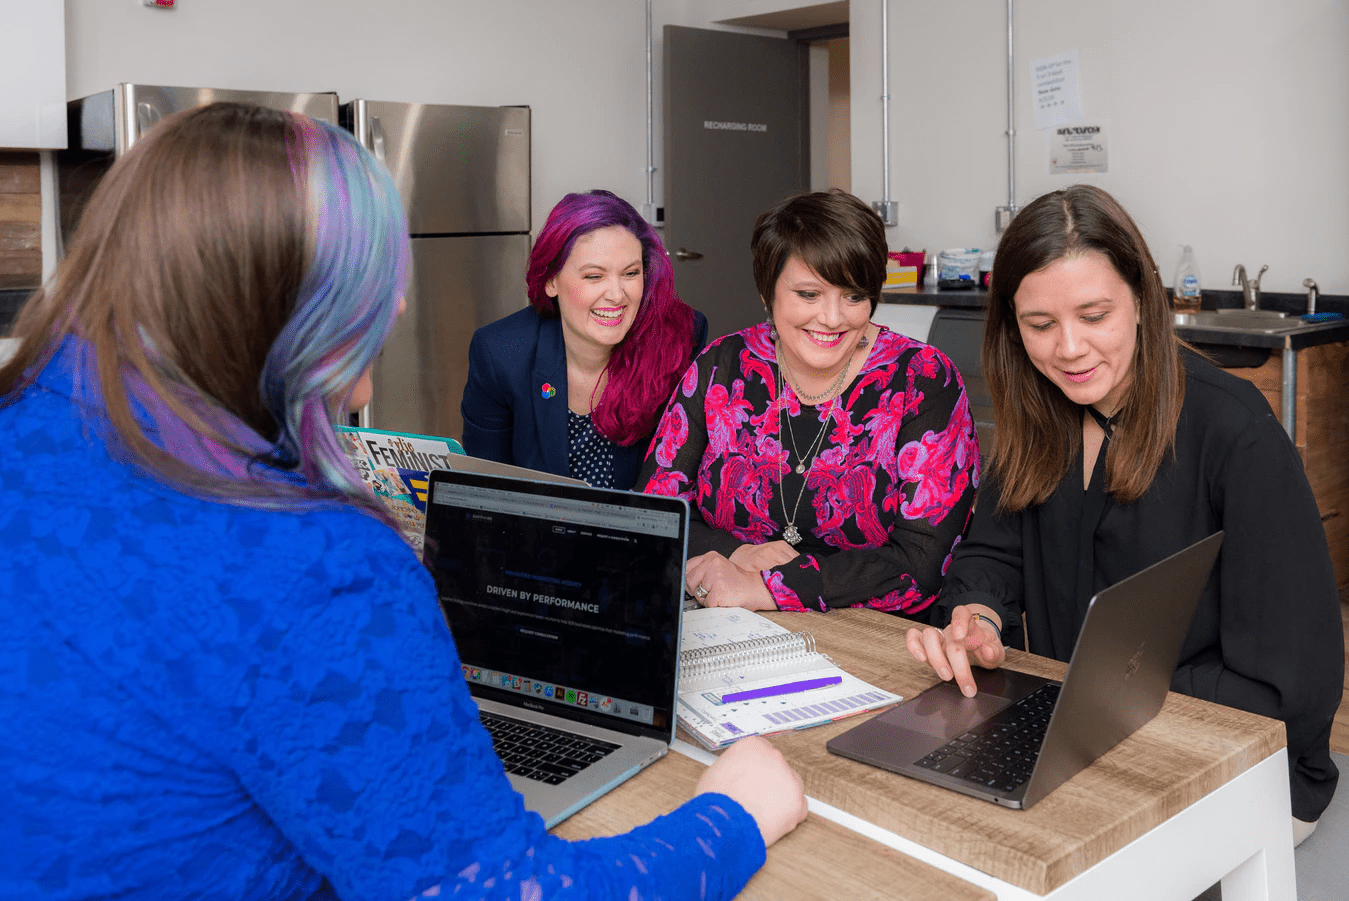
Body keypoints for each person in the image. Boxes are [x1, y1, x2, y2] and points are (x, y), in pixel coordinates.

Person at [0, 102, 807, 900]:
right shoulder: (313, 560)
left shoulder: (25, 420)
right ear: (295, 302)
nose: (395, 308)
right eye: (376, 280)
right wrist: (730, 813)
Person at [904, 184, 1341, 841]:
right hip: (1078, 734)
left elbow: (1291, 691)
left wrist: (1107, 692)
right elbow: (990, 552)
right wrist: (977, 618)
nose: (1069, 348)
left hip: (1242, 760)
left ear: (1140, 299)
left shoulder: (1232, 432)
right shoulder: (1040, 414)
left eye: (1093, 314)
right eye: (1040, 325)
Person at [638, 190, 979, 616]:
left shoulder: (923, 380)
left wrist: (769, 588)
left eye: (853, 296)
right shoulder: (722, 365)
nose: (833, 318)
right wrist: (738, 553)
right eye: (809, 294)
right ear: (768, 293)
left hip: (875, 637)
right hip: (730, 622)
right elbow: (654, 512)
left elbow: (923, 563)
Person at [460, 190, 708, 490]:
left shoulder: (681, 336)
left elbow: (696, 481)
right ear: (551, 280)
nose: (617, 295)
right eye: (594, 276)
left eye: (630, 273)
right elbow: (483, 490)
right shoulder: (500, 353)